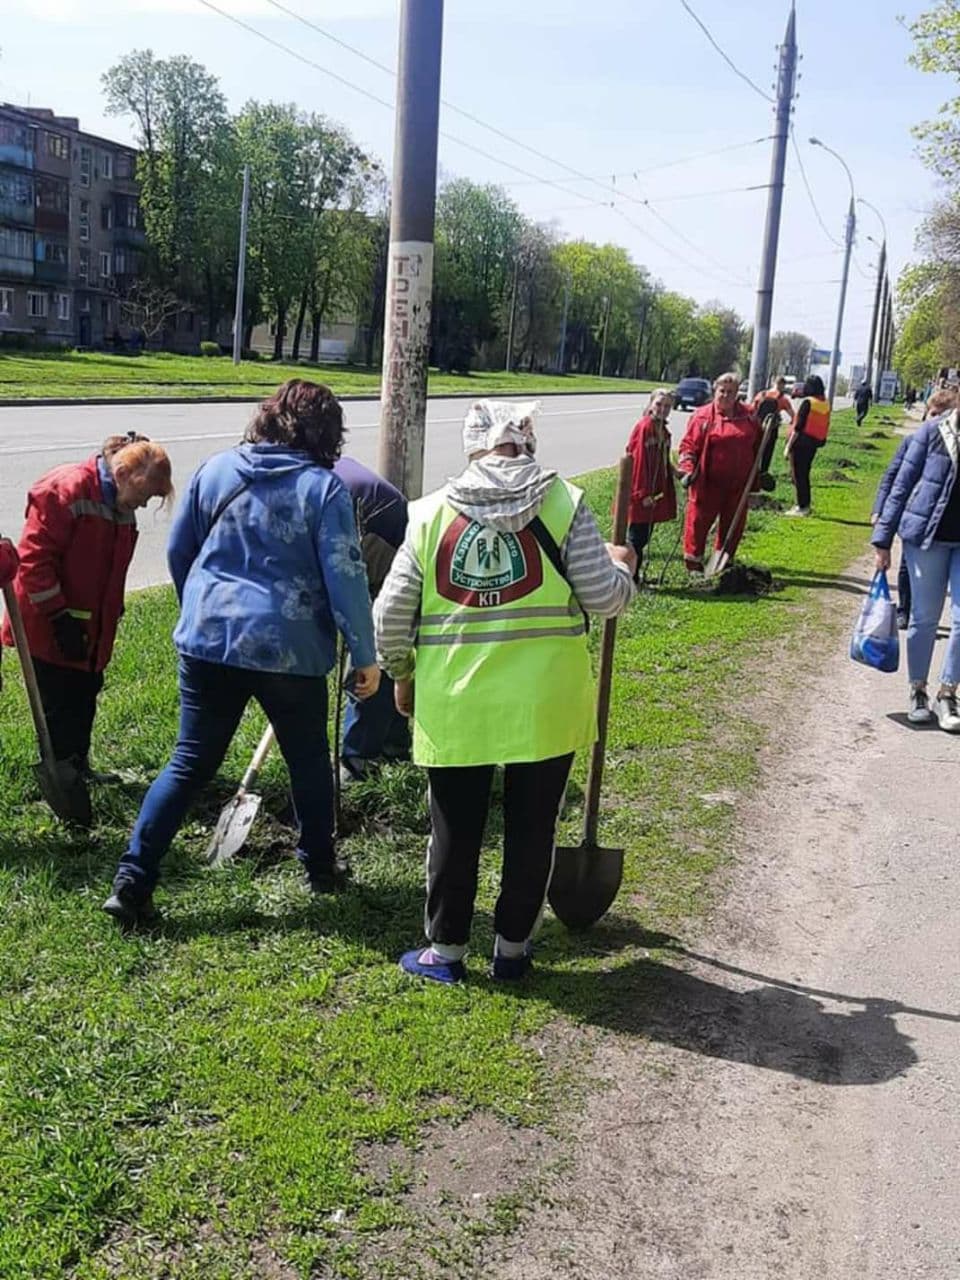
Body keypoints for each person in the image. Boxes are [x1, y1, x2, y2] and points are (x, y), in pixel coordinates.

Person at [374, 399, 636, 984]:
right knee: (532, 827)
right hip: (545, 702)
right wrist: (623, 566)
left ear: (473, 446)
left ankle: (445, 953)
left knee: (455, 828)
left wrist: (400, 673)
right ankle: (512, 951)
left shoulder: (429, 515)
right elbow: (606, 598)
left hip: (457, 704)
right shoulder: (565, 504)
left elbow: (389, 616)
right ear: (527, 441)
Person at [104, 380, 379, 926]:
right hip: (291, 651)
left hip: (210, 640)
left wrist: (202, 609)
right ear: (326, 433)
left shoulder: (216, 470)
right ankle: (320, 868)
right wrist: (364, 654)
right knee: (306, 762)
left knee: (188, 764)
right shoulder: (323, 490)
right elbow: (346, 575)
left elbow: (182, 549)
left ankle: (131, 883)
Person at [1, 434, 173, 784]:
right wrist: (58, 618)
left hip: (93, 629)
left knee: (85, 695)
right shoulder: (64, 490)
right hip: (50, 624)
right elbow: (34, 564)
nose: (142, 505)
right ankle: (60, 775)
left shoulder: (122, 505)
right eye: (145, 494)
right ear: (124, 473)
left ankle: (78, 767)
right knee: (60, 704)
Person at [872, 404, 960, 731]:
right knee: (924, 618)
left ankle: (948, 692)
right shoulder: (931, 432)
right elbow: (901, 484)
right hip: (926, 538)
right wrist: (882, 541)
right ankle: (918, 690)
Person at [333, 456, 410, 783]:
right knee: (386, 646)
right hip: (385, 540)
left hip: (392, 548)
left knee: (371, 650)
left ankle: (358, 757)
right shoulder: (322, 464)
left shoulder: (315, 483)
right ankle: (393, 745)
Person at [677, 371, 764, 573]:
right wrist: (687, 470)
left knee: (733, 525)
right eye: (722, 391)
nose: (725, 395)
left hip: (738, 485)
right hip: (708, 483)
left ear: (737, 394)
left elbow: (759, 443)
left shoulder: (748, 415)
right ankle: (694, 567)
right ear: (715, 390)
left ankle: (721, 565)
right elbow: (688, 447)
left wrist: (759, 474)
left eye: (730, 392)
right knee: (697, 524)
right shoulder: (703, 417)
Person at [623, 387, 677, 581]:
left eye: (667, 406)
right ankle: (629, 577)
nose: (663, 409)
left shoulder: (661, 429)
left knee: (643, 536)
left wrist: (676, 472)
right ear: (651, 404)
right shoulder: (645, 427)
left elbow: (662, 458)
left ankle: (634, 576)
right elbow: (637, 461)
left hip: (652, 493)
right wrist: (643, 494)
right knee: (636, 537)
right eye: (659, 404)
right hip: (640, 493)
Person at [872, 436, 912, 629]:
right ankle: (905, 609)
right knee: (907, 564)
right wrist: (878, 509)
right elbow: (891, 477)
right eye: (932, 414)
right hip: (914, 515)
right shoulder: (913, 442)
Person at [784, 374, 831, 517]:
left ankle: (802, 506)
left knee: (798, 475)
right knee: (804, 474)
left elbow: (798, 427)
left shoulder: (808, 402)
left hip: (800, 444)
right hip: (813, 444)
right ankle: (805, 504)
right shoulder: (824, 403)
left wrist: (788, 447)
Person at [752, 374, 796, 476]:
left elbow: (752, 410)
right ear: (783, 385)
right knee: (768, 451)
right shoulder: (783, 399)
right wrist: (791, 425)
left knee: (755, 449)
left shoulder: (761, 395)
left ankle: (753, 471)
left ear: (773, 383)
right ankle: (763, 472)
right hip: (772, 428)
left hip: (758, 427)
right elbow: (792, 415)